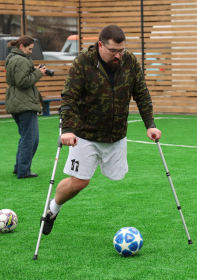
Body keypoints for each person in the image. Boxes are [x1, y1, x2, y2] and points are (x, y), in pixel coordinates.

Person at [40, 25, 162, 235]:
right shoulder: (82, 63)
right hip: (85, 136)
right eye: (113, 51)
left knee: (118, 177)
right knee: (80, 183)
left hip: (116, 136)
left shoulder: (130, 61)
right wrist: (67, 130)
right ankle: (52, 209)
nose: (118, 55)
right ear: (100, 45)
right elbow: (69, 97)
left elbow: (142, 94)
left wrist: (150, 125)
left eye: (121, 50)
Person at [5, 35, 48, 179]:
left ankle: (19, 168)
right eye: (29, 49)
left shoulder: (12, 57)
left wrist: (32, 70)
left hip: (16, 101)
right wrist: (38, 73)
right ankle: (24, 171)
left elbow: (18, 78)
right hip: (24, 103)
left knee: (25, 137)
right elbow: (22, 82)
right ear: (22, 47)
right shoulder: (21, 60)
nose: (31, 52)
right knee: (31, 139)